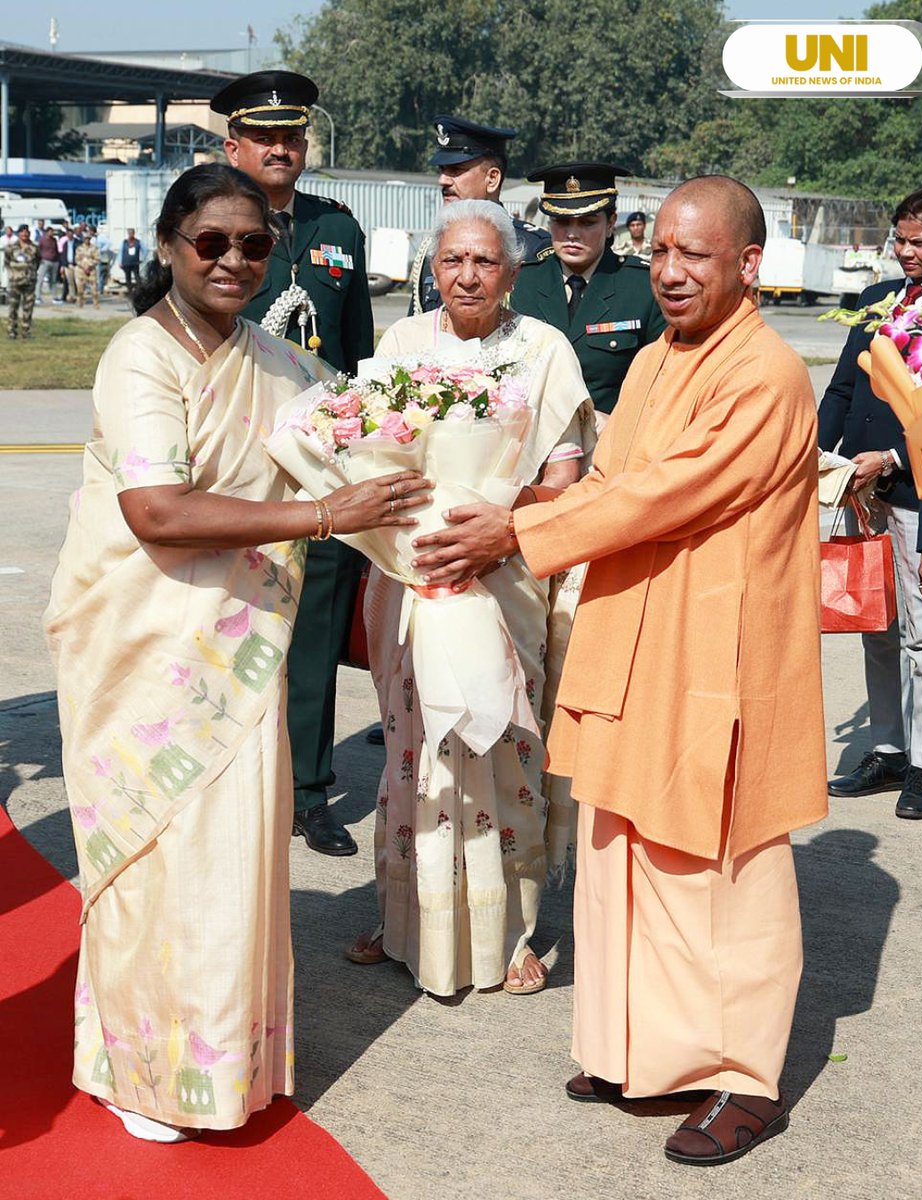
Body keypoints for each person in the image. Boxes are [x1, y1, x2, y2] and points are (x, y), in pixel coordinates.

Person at [410, 176, 828, 1164]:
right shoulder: (649, 365)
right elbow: (609, 481)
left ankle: (742, 1076)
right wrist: (507, 505)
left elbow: (666, 495)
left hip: (715, 656)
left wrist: (517, 530)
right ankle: (641, 1053)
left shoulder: (765, 374)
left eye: (698, 256)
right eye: (663, 254)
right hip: (632, 642)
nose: (672, 274)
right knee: (620, 863)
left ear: (749, 266)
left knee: (721, 875)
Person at [42, 163, 431, 1144]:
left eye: (253, 244)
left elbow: (365, 451)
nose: (233, 260)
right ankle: (141, 1072)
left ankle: (224, 1064)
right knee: (155, 861)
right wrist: (320, 514)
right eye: (211, 241)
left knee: (229, 867)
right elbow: (157, 510)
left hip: (242, 654)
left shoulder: (280, 362)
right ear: (173, 245)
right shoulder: (143, 356)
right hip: (143, 649)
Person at [347, 199, 595, 997]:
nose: (467, 275)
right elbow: (368, 458)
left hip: (506, 576)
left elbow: (564, 477)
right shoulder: (401, 343)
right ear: (432, 267)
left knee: (501, 747)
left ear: (513, 273)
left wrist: (499, 529)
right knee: (414, 756)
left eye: (485, 262)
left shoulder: (544, 349)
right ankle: (402, 918)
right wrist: (416, 537)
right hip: (411, 573)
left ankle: (509, 930)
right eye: (452, 259)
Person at [211, 69, 375, 856]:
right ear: (232, 142)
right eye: (265, 135)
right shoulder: (206, 222)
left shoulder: (338, 227)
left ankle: (308, 792)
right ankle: (228, 779)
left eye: (293, 135)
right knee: (230, 627)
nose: (282, 148)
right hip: (237, 464)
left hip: (321, 465)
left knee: (314, 632)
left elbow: (360, 355)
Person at [819, 188, 922, 820]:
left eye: (919, 242)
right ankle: (889, 748)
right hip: (862, 488)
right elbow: (843, 390)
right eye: (898, 240)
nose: (904, 252)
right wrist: (817, 459)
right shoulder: (875, 303)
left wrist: (896, 462)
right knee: (874, 624)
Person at [510, 163, 666, 416]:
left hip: (610, 442)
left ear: (611, 223)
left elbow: (662, 382)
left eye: (587, 222)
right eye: (562, 221)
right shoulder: (521, 283)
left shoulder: (642, 288)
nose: (572, 234)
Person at [408, 114, 551, 315]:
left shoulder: (532, 249)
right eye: (442, 170)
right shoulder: (434, 247)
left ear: (492, 179)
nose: (443, 180)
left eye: (456, 170)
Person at [5, 224, 39, 339]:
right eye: (22, 232)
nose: (25, 234)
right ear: (18, 233)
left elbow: (38, 261)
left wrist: (30, 272)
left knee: (28, 307)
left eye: (26, 232)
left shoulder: (34, 247)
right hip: (15, 282)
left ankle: (26, 331)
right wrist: (14, 273)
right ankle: (12, 331)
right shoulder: (11, 247)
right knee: (13, 307)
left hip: (29, 282)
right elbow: (7, 262)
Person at [34, 226, 60, 303]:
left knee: (53, 280)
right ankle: (37, 297)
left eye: (53, 232)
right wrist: (40, 259)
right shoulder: (42, 240)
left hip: (54, 261)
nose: (52, 233)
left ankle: (54, 297)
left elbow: (56, 250)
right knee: (40, 279)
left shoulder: (54, 240)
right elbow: (38, 250)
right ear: (47, 232)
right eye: (51, 232)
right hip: (44, 261)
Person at [75, 233, 100, 308]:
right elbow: (77, 259)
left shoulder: (94, 248)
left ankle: (96, 304)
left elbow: (97, 259)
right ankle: (80, 303)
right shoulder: (79, 248)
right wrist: (83, 267)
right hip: (81, 270)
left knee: (94, 289)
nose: (87, 240)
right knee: (80, 289)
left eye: (88, 238)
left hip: (91, 270)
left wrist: (90, 266)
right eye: (85, 238)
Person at [120, 228, 143, 293]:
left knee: (137, 277)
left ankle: (140, 290)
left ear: (134, 233)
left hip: (135, 263)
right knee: (128, 277)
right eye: (129, 233)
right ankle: (129, 290)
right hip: (126, 263)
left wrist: (142, 258)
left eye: (131, 233)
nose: (130, 234)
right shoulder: (124, 242)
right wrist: (120, 262)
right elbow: (121, 252)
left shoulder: (138, 242)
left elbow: (145, 250)